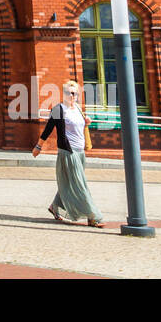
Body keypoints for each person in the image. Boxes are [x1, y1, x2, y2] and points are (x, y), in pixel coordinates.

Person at [32, 81, 104, 227]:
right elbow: (48, 128)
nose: (72, 95)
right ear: (63, 94)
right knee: (79, 185)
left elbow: (79, 128)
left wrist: (87, 122)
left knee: (72, 182)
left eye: (75, 93)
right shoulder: (59, 109)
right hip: (68, 152)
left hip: (80, 152)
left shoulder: (77, 108)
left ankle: (55, 206)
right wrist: (38, 146)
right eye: (69, 93)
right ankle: (92, 216)